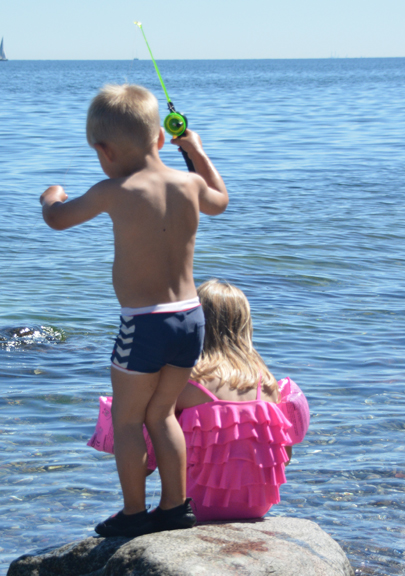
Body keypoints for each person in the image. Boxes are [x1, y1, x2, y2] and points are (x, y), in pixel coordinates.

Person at [41, 84, 229, 537]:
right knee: (162, 414)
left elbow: (58, 219)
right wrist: (198, 151)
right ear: (161, 140)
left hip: (143, 324)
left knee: (128, 419)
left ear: (103, 150)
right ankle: (175, 507)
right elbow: (220, 202)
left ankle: (132, 515)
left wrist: (51, 196)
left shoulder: (112, 189)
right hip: (191, 318)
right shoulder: (188, 182)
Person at [88, 279, 310, 523]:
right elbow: (283, 457)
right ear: (245, 325)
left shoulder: (189, 380)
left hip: (196, 507)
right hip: (257, 507)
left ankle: (146, 509)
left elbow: (148, 460)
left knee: (148, 415)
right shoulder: (267, 384)